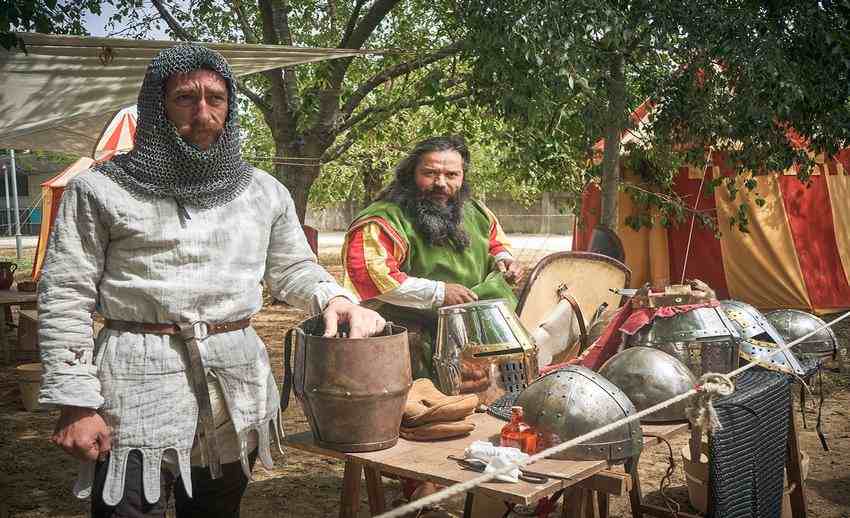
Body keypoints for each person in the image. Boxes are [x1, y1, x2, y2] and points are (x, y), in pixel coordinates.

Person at [38, 44, 385, 518]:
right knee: (128, 511)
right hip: (137, 380)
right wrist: (75, 401)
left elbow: (292, 268)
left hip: (234, 380)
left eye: (215, 98)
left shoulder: (262, 190)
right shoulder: (100, 188)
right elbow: (65, 295)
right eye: (185, 98)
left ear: (230, 105)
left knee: (218, 510)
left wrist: (334, 297)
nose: (203, 112)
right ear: (156, 106)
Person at [342, 136, 524, 383]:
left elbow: (494, 242)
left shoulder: (476, 212)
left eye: (451, 175)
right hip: (411, 341)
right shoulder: (383, 220)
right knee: (423, 415)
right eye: (430, 173)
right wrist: (439, 293)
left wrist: (505, 259)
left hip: (481, 335)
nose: (441, 183)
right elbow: (371, 277)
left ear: (462, 176)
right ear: (410, 174)